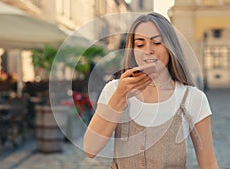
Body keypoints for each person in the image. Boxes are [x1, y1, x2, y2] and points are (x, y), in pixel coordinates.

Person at [83, 12, 219, 169]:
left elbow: (208, 164)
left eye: (157, 42)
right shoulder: (114, 90)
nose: (148, 50)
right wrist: (120, 97)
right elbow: (90, 149)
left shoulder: (192, 98)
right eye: (140, 44)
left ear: (170, 47)